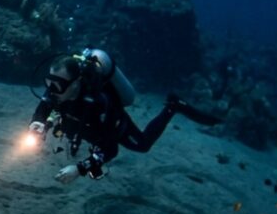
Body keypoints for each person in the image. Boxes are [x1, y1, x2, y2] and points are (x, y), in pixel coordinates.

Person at [26, 48, 221, 183]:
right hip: (81, 126)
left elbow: (110, 149)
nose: (51, 89)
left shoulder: (99, 105)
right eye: (48, 82)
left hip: (108, 127)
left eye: (57, 84)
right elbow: (43, 107)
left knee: (142, 145)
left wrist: (79, 169)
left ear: (76, 83)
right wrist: (37, 124)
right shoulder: (57, 92)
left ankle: (173, 106)